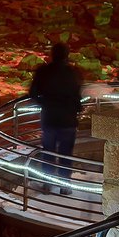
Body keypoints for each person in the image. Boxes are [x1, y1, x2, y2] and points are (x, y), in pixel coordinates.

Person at [28, 41, 84, 191]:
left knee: (48, 153)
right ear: (67, 55)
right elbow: (77, 96)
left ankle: (47, 184)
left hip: (49, 118)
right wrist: (77, 108)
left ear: (52, 55)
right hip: (68, 120)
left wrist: (44, 102)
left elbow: (32, 93)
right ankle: (65, 185)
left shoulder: (43, 72)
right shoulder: (74, 73)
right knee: (66, 154)